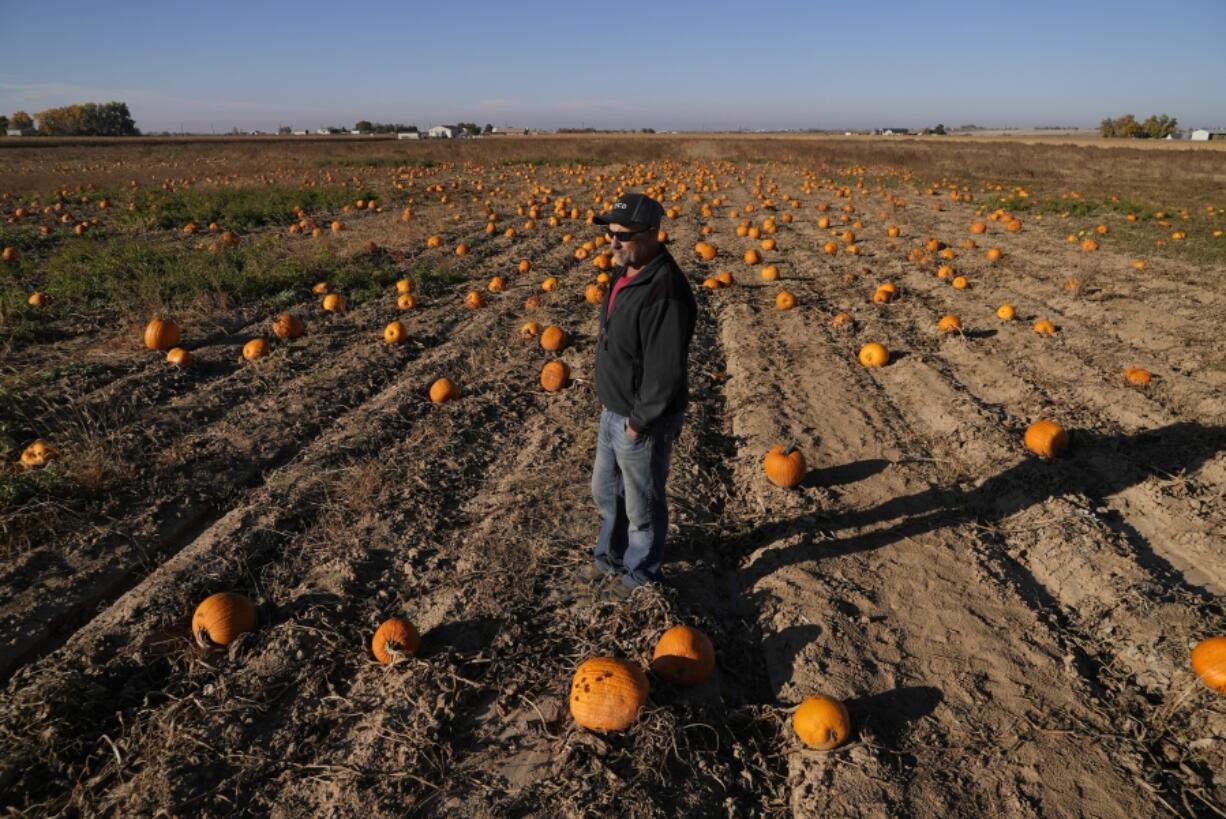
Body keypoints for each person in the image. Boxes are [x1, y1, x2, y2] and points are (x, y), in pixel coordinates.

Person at [578, 192, 697, 598]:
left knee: (642, 506)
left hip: (642, 420)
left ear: (651, 234)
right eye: (609, 232)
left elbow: (664, 373)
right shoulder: (628, 270)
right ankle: (609, 558)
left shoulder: (665, 289)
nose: (612, 242)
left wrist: (636, 426)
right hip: (615, 410)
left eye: (622, 235)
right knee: (607, 492)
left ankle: (641, 574)